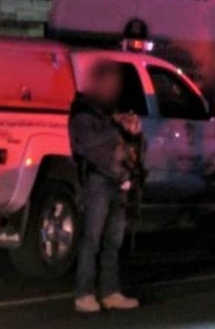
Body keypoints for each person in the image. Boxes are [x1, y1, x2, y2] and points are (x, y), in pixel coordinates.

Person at [69, 60, 141, 313]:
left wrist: (130, 129)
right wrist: (117, 127)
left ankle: (110, 291)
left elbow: (126, 142)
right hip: (97, 181)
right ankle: (84, 294)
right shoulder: (82, 112)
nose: (114, 88)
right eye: (110, 82)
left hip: (117, 180)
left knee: (113, 241)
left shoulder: (106, 111)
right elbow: (88, 144)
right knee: (92, 240)